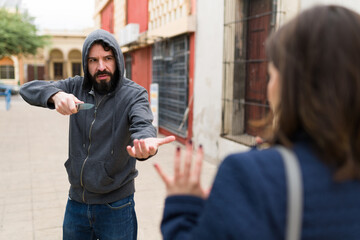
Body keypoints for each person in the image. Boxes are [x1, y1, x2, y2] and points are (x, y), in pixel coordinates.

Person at [154, 5, 360, 240]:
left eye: (271, 76)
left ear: (293, 86)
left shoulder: (251, 176)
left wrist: (183, 207)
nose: (267, 89)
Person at [20, 29, 175, 240]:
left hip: (117, 206)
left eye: (107, 58)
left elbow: (143, 125)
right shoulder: (76, 87)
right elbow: (28, 89)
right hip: (76, 203)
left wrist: (146, 142)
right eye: (93, 60)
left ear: (118, 59)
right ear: (86, 63)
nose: (101, 67)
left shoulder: (134, 94)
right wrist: (56, 95)